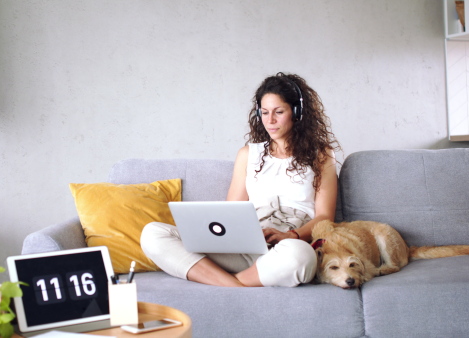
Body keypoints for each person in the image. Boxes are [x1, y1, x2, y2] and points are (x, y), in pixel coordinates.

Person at [141, 72, 340, 287]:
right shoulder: (248, 154)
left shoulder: (321, 155)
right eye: (264, 113)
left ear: (298, 113)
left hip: (287, 247)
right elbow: (231, 211)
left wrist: (291, 235)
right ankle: (235, 286)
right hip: (245, 245)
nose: (270, 121)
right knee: (153, 233)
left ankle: (225, 282)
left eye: (279, 112)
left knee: (301, 257)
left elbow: (325, 217)